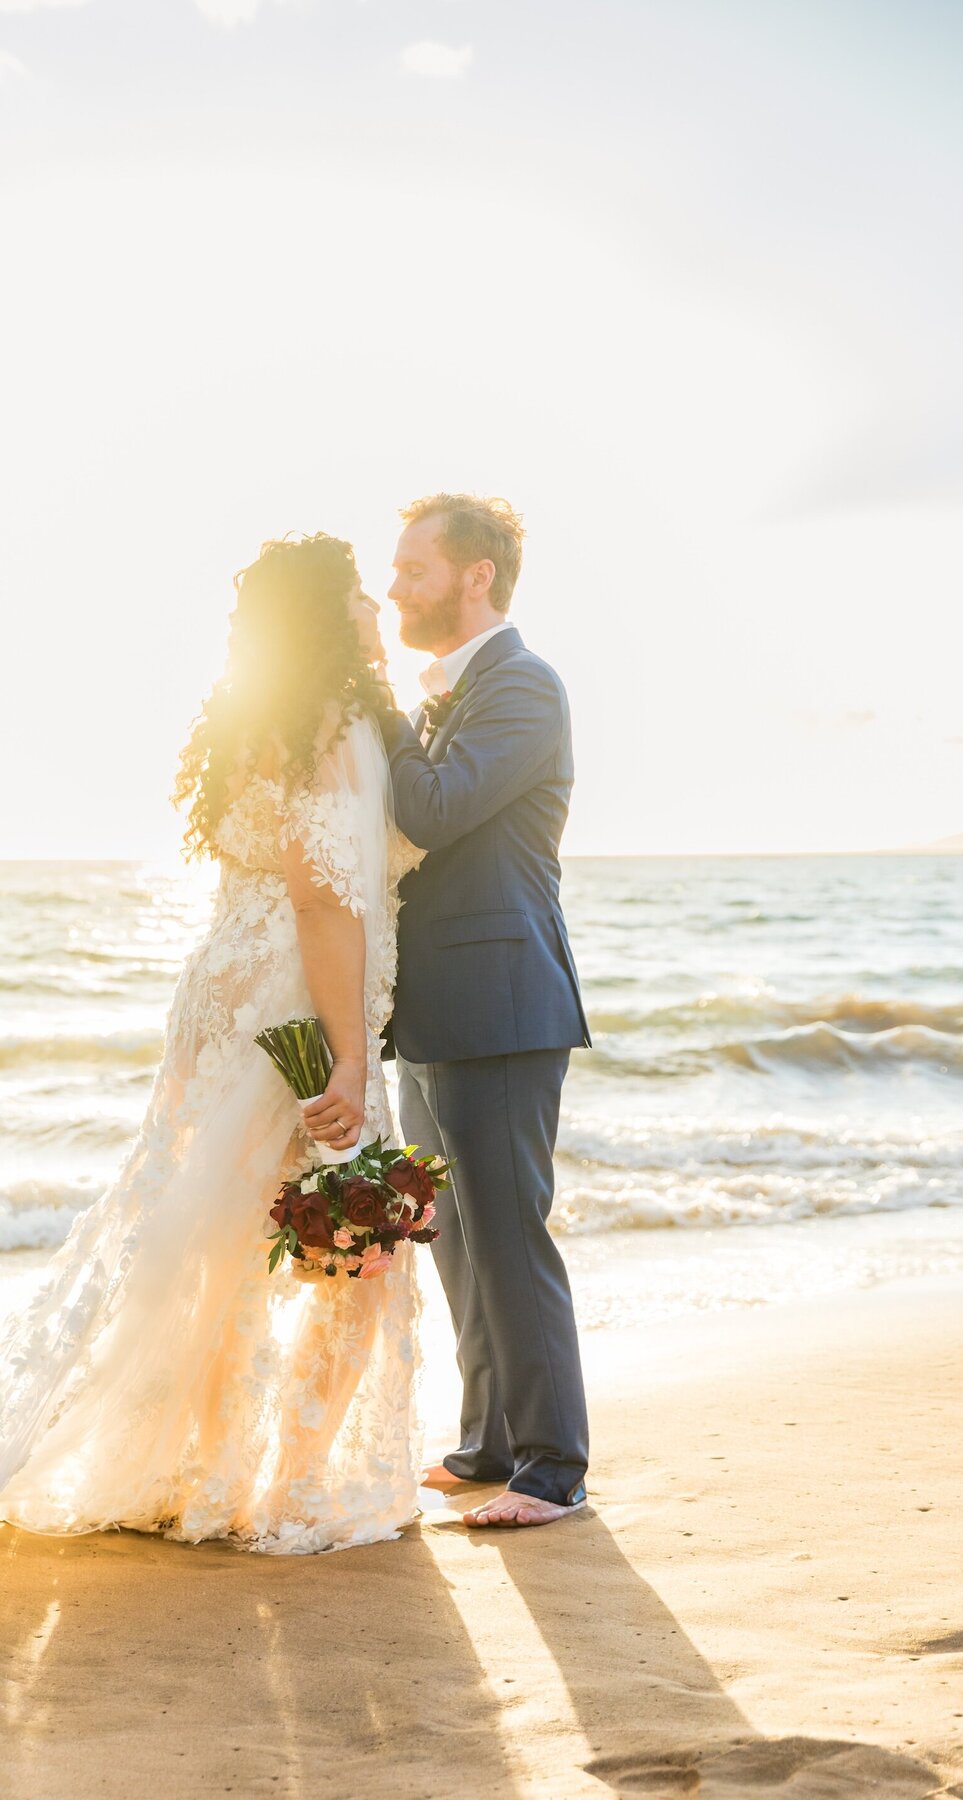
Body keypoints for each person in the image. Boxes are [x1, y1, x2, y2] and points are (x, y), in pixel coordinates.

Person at [0, 534, 424, 1791]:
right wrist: (347, 1061)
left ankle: (216, 1475)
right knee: (352, 1254)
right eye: (355, 586)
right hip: (294, 1018)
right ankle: (282, 1493)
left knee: (212, 1246)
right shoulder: (337, 724)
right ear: (326, 614)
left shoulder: (267, 719)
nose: (371, 599)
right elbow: (326, 898)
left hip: (219, 1011)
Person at [378, 493, 593, 1529]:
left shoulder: (525, 688)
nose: (394, 588)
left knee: (509, 1234)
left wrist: (370, 698)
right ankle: (488, 1443)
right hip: (430, 1010)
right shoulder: (442, 699)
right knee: (454, 1234)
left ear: (476, 578)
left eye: (414, 570)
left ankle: (553, 1468)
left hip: (503, 1005)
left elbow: (434, 805)